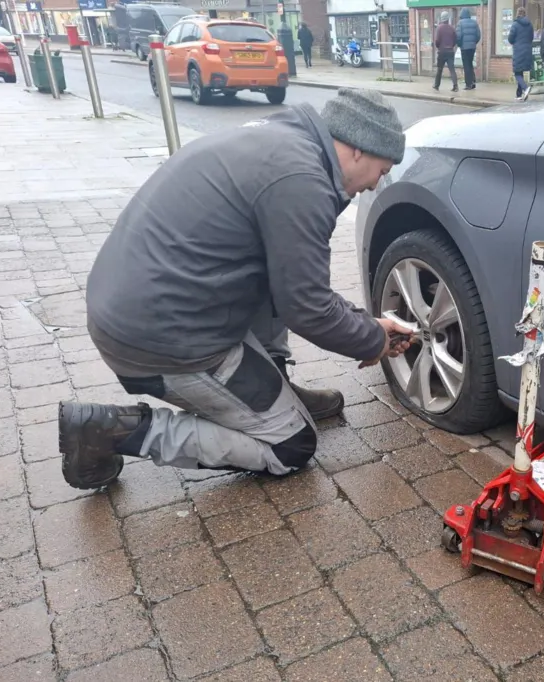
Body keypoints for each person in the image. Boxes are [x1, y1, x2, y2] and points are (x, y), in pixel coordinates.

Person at [58, 88, 414, 490]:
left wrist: (366, 327)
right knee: (291, 445)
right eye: (382, 171)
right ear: (356, 151)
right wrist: (371, 340)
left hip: (145, 302)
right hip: (162, 338)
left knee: (272, 271)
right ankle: (111, 431)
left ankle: (272, 387)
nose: (374, 185)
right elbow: (307, 307)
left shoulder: (284, 139)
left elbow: (294, 283)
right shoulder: (302, 180)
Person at [508, 7, 534, 101]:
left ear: (517, 14)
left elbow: (510, 39)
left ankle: (525, 88)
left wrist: (515, 42)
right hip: (527, 51)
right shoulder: (530, 24)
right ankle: (518, 95)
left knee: (517, 73)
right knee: (520, 72)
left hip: (518, 51)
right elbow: (531, 37)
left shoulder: (515, 25)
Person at [454, 8, 480, 90]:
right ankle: (473, 81)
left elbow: (458, 36)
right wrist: (474, 42)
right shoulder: (474, 23)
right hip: (472, 47)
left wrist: (459, 44)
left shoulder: (460, 23)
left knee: (466, 65)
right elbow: (478, 35)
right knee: (470, 63)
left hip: (464, 48)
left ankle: (468, 84)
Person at [432, 11, 458, 93]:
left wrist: (438, 46)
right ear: (448, 19)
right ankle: (455, 86)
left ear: (442, 19)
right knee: (452, 69)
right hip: (450, 51)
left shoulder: (439, 28)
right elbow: (455, 40)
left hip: (442, 51)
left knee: (439, 69)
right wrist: (451, 46)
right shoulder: (452, 28)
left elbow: (437, 40)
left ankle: (436, 85)